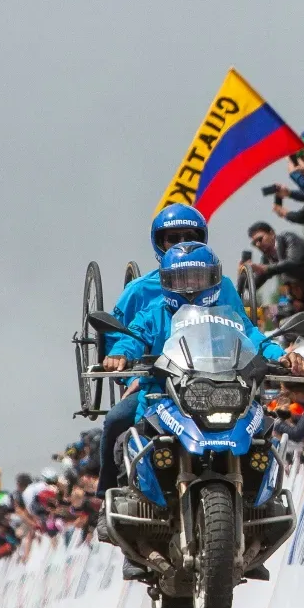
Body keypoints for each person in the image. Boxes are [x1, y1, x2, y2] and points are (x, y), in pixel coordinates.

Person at [101, 242, 295, 579]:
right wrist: (120, 353)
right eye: (181, 279)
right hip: (164, 397)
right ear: (165, 281)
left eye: (198, 277)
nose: (190, 286)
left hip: (225, 395)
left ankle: (256, 515)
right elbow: (132, 338)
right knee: (124, 434)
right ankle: (125, 524)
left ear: (214, 278)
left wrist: (283, 355)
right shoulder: (154, 313)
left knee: (265, 435)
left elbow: (257, 339)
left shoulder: (229, 316)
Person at [94, 204, 248, 501]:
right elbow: (122, 337)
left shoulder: (223, 286)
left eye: (189, 236)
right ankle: (107, 496)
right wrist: (127, 370)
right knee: (116, 420)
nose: (181, 243)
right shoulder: (141, 293)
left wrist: (275, 353)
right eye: (172, 238)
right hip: (157, 383)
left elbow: (244, 330)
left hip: (218, 379)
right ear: (159, 244)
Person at [244, 221, 304, 295]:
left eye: (260, 239)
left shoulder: (288, 239)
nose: (258, 244)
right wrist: (243, 274)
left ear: (272, 233)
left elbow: (293, 262)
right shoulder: (267, 258)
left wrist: (265, 268)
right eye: (254, 243)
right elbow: (252, 285)